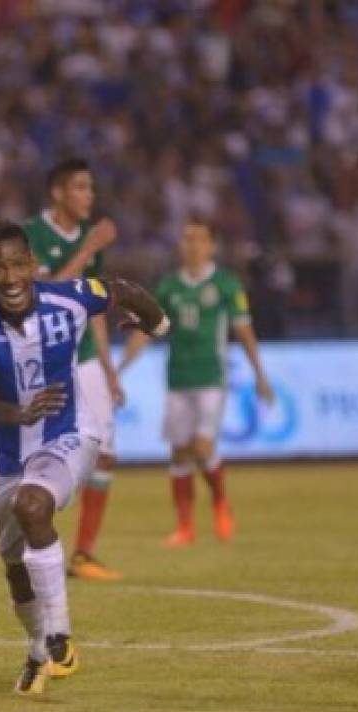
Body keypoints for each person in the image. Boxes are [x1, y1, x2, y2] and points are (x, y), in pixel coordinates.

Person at [0, 220, 168, 696]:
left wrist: (158, 323)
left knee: (33, 506)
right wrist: (18, 413)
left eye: (17, 265)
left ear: (32, 265)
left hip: (70, 435)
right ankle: (36, 649)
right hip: (8, 454)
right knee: (13, 566)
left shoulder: (69, 298)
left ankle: (59, 635)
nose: (9, 278)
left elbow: (123, 291)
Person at [120, 218, 273, 546]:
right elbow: (147, 332)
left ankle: (220, 503)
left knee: (203, 449)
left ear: (212, 246)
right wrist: (119, 370)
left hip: (211, 378)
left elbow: (243, 331)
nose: (192, 245)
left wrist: (260, 375)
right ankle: (185, 527)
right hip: (177, 378)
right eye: (187, 239)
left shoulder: (226, 284)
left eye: (200, 240)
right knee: (178, 453)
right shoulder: (169, 287)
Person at [22, 158, 124, 581]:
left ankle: (83, 553)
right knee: (40, 453)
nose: (90, 196)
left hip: (84, 357)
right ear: (58, 194)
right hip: (46, 358)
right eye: (81, 188)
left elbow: (91, 304)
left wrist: (108, 365)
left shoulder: (86, 238)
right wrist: (88, 250)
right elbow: (46, 295)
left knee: (106, 452)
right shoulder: (32, 235)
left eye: (91, 188)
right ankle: (34, 542)